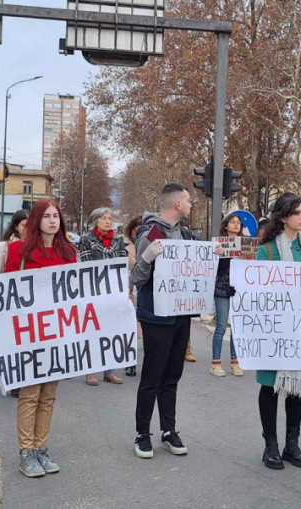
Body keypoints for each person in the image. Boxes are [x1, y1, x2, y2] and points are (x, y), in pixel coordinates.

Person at [3, 199, 77, 478]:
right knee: (30, 394)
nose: (52, 221)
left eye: (56, 216)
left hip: (58, 331)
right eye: (46, 216)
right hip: (29, 332)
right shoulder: (18, 250)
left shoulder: (69, 251)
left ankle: (41, 447)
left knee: (49, 395)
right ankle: (26, 451)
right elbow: (7, 289)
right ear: (36, 220)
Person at [131, 183, 197, 459]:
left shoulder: (186, 234)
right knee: (152, 376)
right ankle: (142, 434)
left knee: (173, 375)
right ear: (177, 205)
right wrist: (147, 257)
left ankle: (168, 430)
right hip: (157, 317)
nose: (192, 205)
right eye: (189, 201)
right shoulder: (150, 233)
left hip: (180, 315)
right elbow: (137, 277)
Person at [255, 193, 301, 469]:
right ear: (283, 217)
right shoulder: (267, 250)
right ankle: (271, 445)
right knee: (270, 386)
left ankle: (292, 444)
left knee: (297, 387)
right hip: (274, 330)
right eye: (297, 213)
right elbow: (256, 288)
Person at [78, 207, 127, 386]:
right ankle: (90, 371)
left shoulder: (117, 240)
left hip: (113, 292)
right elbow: (86, 265)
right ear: (94, 221)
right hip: (94, 291)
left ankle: (110, 370)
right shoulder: (86, 240)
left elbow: (122, 264)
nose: (108, 221)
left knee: (111, 332)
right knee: (93, 331)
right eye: (104, 218)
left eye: (110, 218)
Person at [210, 213, 245, 378]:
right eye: (233, 222)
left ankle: (235, 361)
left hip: (239, 290)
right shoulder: (218, 245)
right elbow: (213, 268)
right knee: (222, 326)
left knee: (237, 328)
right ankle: (215, 362)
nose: (236, 225)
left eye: (238, 223)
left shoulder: (245, 245)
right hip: (222, 289)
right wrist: (219, 255)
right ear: (226, 226)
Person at [123, 215, 143, 377]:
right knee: (129, 326)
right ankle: (130, 362)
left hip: (143, 287)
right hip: (127, 287)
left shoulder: (150, 242)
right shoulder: (123, 244)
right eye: (139, 226)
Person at [0, 210, 28, 276]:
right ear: (16, 227)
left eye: (31, 225)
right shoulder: (2, 247)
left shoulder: (38, 246)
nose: (28, 229)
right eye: (24, 225)